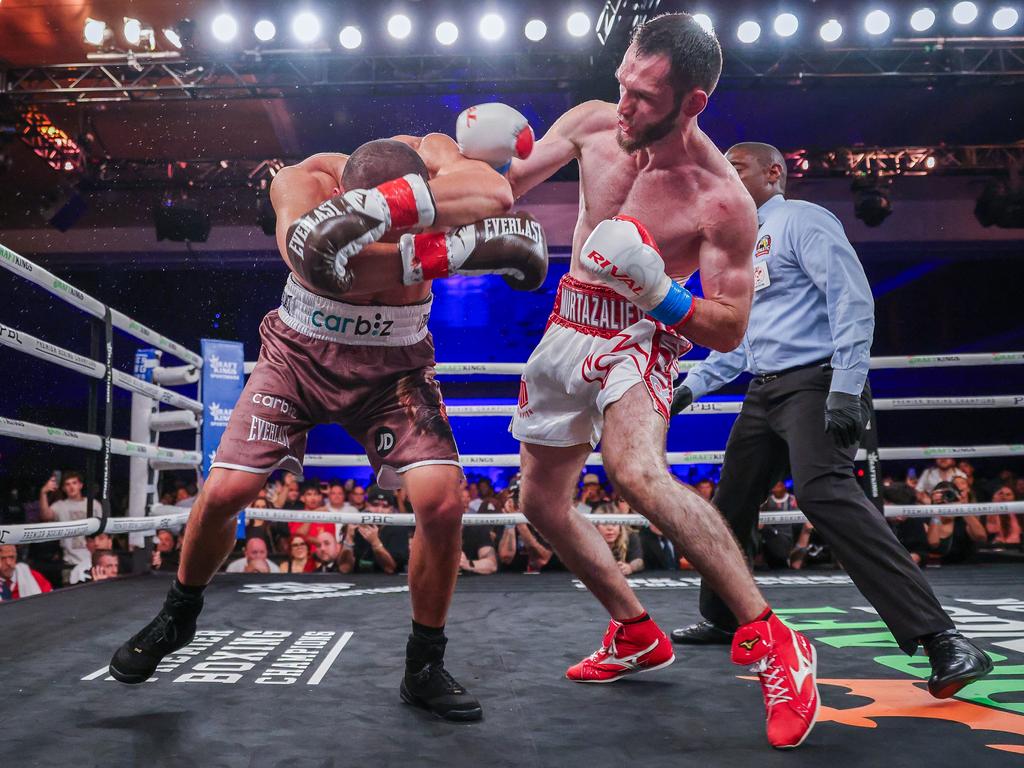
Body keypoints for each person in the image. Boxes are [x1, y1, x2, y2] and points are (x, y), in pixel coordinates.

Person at [109, 123, 549, 723]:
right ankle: (178, 614)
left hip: (396, 369)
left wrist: (401, 218)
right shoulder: (302, 180)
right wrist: (450, 248)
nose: (397, 236)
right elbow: (313, 260)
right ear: (343, 195)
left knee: (442, 502)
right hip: (298, 357)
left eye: (409, 220)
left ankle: (424, 664)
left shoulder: (434, 154)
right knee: (225, 492)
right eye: (380, 223)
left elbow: (496, 196)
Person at [505, 13, 817, 748]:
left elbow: (730, 326)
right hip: (566, 325)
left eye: (644, 97)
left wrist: (659, 291)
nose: (624, 107)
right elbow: (504, 186)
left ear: (692, 102)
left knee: (635, 471)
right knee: (540, 503)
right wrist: (444, 173)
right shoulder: (589, 123)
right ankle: (635, 630)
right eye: (623, 85)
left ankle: (775, 639)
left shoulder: (720, 201)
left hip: (640, 339)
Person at [666, 140, 992, 701]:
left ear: (774, 173)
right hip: (765, 393)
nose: (724, 177)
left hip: (817, 383)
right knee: (730, 504)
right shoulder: (733, 248)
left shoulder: (801, 220)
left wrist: (845, 387)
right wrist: (688, 388)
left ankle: (943, 638)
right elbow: (740, 344)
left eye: (735, 168)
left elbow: (851, 298)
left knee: (823, 494)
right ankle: (724, 617)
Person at [38, 471, 98, 568]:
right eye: (67, 484)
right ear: (64, 488)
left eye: (74, 483)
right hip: (70, 563)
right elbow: (45, 516)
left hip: (94, 562)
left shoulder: (94, 504)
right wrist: (43, 492)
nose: (71, 487)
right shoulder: (60, 506)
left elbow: (103, 531)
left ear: (81, 485)